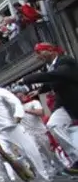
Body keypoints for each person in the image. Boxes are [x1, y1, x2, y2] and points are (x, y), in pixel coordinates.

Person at [0, 72, 50, 182]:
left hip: (13, 128)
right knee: (2, 155)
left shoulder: (1, 92)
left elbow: (16, 103)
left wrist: (18, 115)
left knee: (32, 152)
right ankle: (24, 170)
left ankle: (44, 179)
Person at [22, 42, 78, 175]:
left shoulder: (65, 61)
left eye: (39, 52)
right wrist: (40, 91)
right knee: (53, 125)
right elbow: (54, 81)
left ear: (51, 50)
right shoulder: (51, 66)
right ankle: (76, 157)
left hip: (75, 101)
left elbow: (59, 75)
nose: (38, 56)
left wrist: (31, 78)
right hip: (65, 105)